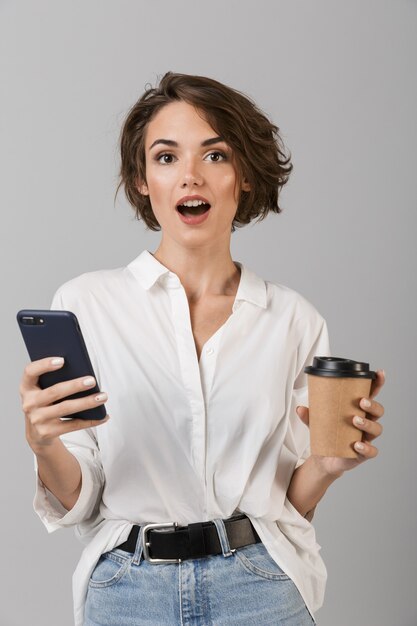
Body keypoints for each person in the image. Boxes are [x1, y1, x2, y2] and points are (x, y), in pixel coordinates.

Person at [19, 72, 385, 626]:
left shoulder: (293, 319)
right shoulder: (86, 304)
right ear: (143, 180)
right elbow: (79, 501)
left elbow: (289, 504)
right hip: (127, 592)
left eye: (215, 155)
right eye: (166, 158)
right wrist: (43, 444)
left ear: (243, 176)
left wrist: (327, 465)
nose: (190, 176)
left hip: (260, 588)